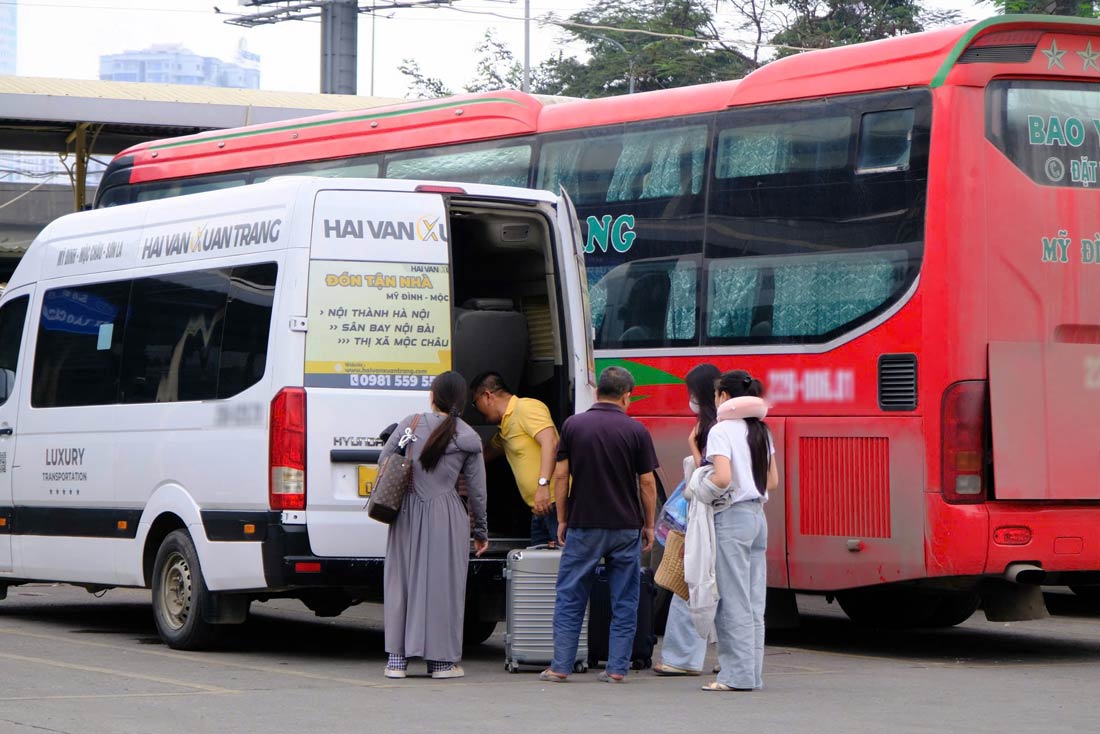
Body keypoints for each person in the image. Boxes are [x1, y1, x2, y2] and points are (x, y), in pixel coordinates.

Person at [539, 366, 658, 684]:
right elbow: (647, 483)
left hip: (584, 524)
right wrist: (649, 525)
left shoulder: (573, 425)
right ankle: (617, 668)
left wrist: (562, 518)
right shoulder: (637, 431)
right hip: (625, 527)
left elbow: (561, 475)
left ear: (596, 392)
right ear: (627, 396)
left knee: (571, 595)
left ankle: (561, 666)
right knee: (625, 599)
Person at [381, 371, 490, 680]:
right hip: (447, 516)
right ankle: (441, 663)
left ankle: (396, 661)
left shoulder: (410, 423)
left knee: (401, 582)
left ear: (433, 396)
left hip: (406, 511)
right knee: (443, 587)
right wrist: (481, 531)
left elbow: (384, 461)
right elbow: (477, 491)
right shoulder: (468, 435)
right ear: (462, 401)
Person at [701, 370, 778, 692]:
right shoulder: (761, 430)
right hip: (758, 517)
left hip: (732, 517)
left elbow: (722, 477)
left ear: (723, 397)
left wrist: (701, 488)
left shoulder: (721, 430)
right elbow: (772, 481)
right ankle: (752, 674)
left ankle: (735, 676)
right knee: (754, 602)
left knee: (732, 600)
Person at [653, 363, 720, 677]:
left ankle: (682, 658)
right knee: (723, 588)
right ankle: (732, 658)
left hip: (705, 515)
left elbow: (707, 474)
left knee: (690, 583)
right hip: (728, 517)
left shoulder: (711, 430)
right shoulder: (738, 425)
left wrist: (693, 446)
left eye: (691, 392)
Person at [470, 372, 560, 546]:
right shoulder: (504, 427)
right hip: (539, 508)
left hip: (555, 503)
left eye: (475, 403)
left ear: (487, 396)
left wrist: (543, 486)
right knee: (538, 560)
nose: (477, 410)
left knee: (563, 558)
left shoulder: (526, 407)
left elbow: (550, 442)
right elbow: (485, 453)